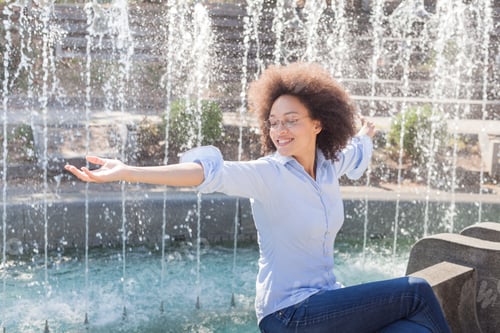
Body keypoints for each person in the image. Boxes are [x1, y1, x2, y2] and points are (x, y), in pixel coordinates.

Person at [65, 62, 451, 333]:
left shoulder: (330, 164)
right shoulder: (268, 173)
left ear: (318, 124)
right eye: (273, 121)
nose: (279, 130)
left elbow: (355, 149)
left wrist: (365, 133)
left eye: (291, 120)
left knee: (409, 330)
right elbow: (208, 173)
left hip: (326, 303)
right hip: (289, 316)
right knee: (416, 291)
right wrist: (131, 171)